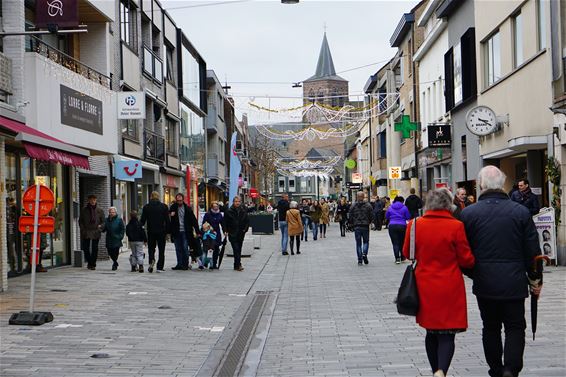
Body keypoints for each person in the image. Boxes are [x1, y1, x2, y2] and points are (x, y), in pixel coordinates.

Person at [460, 166, 542, 377]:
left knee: (491, 327)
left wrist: (474, 272)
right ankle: (511, 369)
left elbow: (462, 251)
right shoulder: (520, 212)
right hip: (514, 282)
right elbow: (532, 251)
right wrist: (535, 281)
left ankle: (496, 369)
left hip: (485, 282)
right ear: (503, 184)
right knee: (515, 326)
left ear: (481, 185)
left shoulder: (469, 213)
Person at [402, 189, 476, 377]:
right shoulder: (456, 226)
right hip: (450, 284)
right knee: (447, 333)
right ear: (449, 205)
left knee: (431, 330)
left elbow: (407, 253)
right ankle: (441, 371)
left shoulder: (415, 224)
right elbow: (467, 260)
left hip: (424, 284)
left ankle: (435, 370)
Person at [141, 191, 170, 273]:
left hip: (151, 231)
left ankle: (151, 261)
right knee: (161, 249)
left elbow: (143, 220)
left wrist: (140, 227)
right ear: (158, 197)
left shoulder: (146, 207)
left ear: (151, 197)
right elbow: (167, 220)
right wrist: (168, 231)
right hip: (161, 231)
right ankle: (160, 267)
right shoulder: (164, 206)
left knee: (151, 248)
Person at [169, 193, 200, 271]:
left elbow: (193, 220)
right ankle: (179, 264)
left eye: (180, 200)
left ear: (183, 200)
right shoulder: (173, 207)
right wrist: (170, 215)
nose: (179, 202)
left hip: (186, 231)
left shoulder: (187, 209)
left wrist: (197, 231)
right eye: (178, 201)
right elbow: (169, 219)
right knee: (178, 248)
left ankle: (185, 264)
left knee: (185, 248)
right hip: (176, 231)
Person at [78, 194, 105, 270]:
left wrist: (100, 227)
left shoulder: (100, 210)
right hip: (86, 231)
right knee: (85, 248)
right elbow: (80, 221)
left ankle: (93, 264)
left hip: (96, 231)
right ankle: (90, 262)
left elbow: (103, 221)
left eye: (94, 200)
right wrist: (82, 230)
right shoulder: (84, 210)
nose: (93, 201)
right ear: (88, 201)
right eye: (91, 200)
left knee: (94, 248)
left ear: (96, 200)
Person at [223, 196, 249, 271]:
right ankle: (238, 264)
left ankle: (236, 264)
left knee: (239, 249)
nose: (237, 203)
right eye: (236, 201)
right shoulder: (228, 211)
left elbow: (247, 221)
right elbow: (224, 222)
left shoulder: (243, 210)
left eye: (239, 201)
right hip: (232, 233)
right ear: (233, 202)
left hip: (241, 233)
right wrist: (225, 230)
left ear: (240, 202)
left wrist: (245, 229)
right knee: (236, 249)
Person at [348, 191, 374, 265]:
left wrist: (352, 223)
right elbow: (372, 215)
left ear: (357, 197)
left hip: (357, 226)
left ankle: (360, 260)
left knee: (358, 243)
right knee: (366, 241)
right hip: (365, 226)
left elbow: (350, 216)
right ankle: (364, 254)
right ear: (363, 197)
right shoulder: (368, 205)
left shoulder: (353, 206)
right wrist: (369, 221)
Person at [386, 196, 410, 264]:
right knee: (402, 242)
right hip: (402, 226)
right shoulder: (404, 207)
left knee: (395, 242)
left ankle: (397, 258)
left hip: (392, 226)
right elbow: (408, 217)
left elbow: (387, 216)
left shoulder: (390, 207)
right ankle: (402, 256)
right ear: (402, 201)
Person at [202, 202, 225, 269]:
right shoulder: (208, 214)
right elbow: (204, 223)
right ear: (211, 207)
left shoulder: (219, 214)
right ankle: (206, 262)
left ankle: (214, 263)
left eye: (217, 206)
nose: (215, 208)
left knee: (216, 249)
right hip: (208, 233)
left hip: (216, 234)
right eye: (214, 206)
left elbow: (222, 223)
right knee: (208, 249)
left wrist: (224, 231)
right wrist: (207, 229)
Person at [102, 207, 125, 271]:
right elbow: (104, 229)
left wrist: (120, 236)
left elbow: (122, 229)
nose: (111, 213)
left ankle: (114, 264)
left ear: (115, 212)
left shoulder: (119, 220)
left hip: (116, 239)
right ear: (109, 213)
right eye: (110, 212)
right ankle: (115, 262)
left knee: (115, 253)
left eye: (113, 212)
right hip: (109, 239)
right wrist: (101, 227)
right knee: (110, 252)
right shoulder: (106, 220)